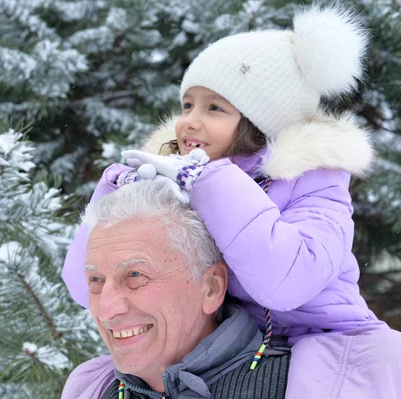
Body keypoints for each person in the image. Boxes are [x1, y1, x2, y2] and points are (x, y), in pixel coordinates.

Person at [62, 6, 401, 399]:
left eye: (214, 108)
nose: (189, 120)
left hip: (329, 347)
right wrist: (114, 190)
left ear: (260, 121)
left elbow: (286, 282)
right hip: (238, 348)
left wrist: (210, 178)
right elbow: (81, 285)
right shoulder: (191, 180)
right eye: (187, 104)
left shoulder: (314, 181)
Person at [62, 179, 290, 399]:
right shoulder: (91, 389)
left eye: (135, 275)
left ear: (211, 287)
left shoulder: (296, 385)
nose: (106, 310)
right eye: (95, 280)